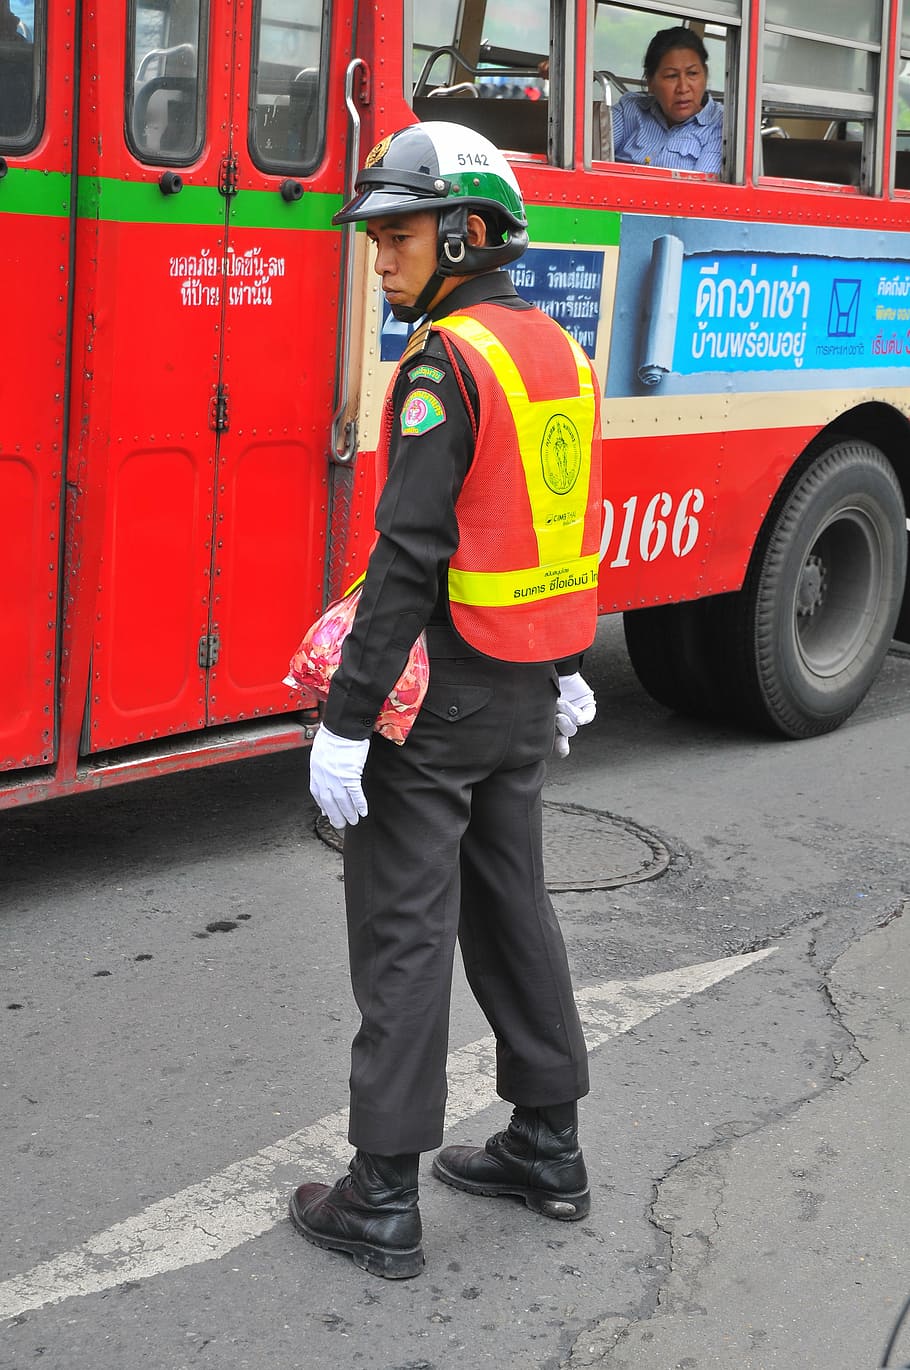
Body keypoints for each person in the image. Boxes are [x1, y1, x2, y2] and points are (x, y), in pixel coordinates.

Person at [288, 120, 603, 1279]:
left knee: (404, 934)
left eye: (400, 234)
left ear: (463, 233)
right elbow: (555, 521)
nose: (380, 256)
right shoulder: (554, 351)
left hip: (441, 692)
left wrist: (344, 719)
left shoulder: (444, 362)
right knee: (512, 905)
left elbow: (406, 556)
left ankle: (379, 1195)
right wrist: (567, 666)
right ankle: (547, 1142)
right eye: (376, 237)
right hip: (524, 682)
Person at [612, 26, 722, 174]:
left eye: (692, 73)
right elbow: (586, 154)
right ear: (651, 82)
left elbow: (700, 193)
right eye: (671, 76)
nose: (683, 88)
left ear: (705, 74)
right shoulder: (629, 110)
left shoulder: (720, 126)